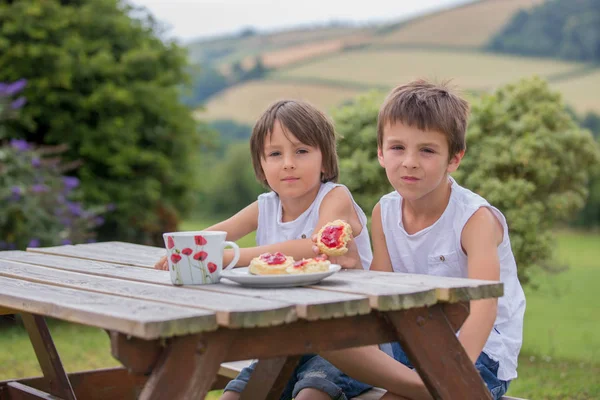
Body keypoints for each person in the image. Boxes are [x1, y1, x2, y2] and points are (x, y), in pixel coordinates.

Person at [317, 79, 526, 400]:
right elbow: (383, 295)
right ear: (381, 153)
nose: (409, 161)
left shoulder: (474, 219)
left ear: (454, 159)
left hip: (478, 354)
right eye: (397, 147)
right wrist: (352, 267)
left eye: (427, 150)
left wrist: (449, 373)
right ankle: (417, 385)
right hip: (413, 342)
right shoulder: (384, 212)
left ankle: (422, 386)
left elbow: (484, 309)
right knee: (326, 341)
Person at [154, 99, 374, 400]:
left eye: (302, 151)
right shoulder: (266, 206)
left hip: (350, 341)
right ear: (261, 164)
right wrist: (181, 250)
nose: (288, 163)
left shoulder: (335, 198)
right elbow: (215, 234)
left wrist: (229, 259)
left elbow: (316, 247)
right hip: (285, 342)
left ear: (325, 160)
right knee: (232, 397)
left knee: (311, 396)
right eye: (275, 154)